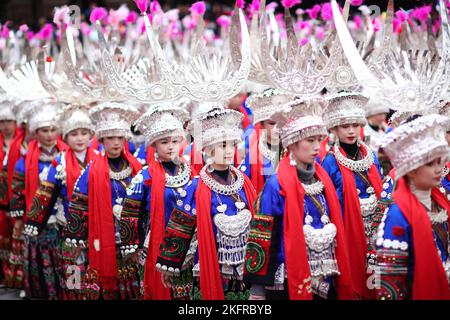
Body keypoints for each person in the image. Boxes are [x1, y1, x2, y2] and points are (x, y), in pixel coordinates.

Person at [244, 97, 354, 300]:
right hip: (287, 280)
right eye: (310, 141)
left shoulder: (323, 180)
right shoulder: (276, 185)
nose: (316, 147)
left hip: (325, 277)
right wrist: (258, 289)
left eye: (318, 141)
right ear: (292, 145)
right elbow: (262, 236)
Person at [157, 106, 257, 300]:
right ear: (209, 149)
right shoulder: (197, 187)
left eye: (231, 145)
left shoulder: (244, 182)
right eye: (222, 146)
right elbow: (181, 225)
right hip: (212, 266)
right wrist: (169, 263)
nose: (229, 151)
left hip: (245, 269)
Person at [64, 102, 142, 300]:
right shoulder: (92, 171)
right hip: (103, 238)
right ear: (101, 140)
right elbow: (79, 204)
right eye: (110, 138)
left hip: (132, 238)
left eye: (119, 138)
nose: (115, 143)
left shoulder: (136, 167)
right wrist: (76, 239)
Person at [22, 104, 97, 299]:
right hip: (68, 229)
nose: (80, 138)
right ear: (65, 137)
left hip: (97, 228)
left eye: (84, 133)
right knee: (74, 271)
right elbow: (45, 194)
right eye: (74, 134)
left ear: (91, 136)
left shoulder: (99, 160)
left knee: (96, 271)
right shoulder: (59, 163)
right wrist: (33, 224)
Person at [120, 103, 191, 300]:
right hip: (156, 247)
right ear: (153, 145)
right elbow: (130, 213)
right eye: (164, 142)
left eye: (176, 141)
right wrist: (131, 246)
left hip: (188, 247)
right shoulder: (145, 176)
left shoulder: (192, 172)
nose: (171, 146)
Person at [374, 114, 450, 300]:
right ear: (412, 169)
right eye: (430, 163)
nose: (438, 169)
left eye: (440, 161)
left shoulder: (439, 202)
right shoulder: (397, 215)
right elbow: (389, 286)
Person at [321, 91, 383, 299]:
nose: (350, 131)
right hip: (347, 230)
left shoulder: (370, 156)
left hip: (374, 229)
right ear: (334, 128)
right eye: (345, 126)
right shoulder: (329, 162)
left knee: (375, 281)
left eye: (355, 125)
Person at [10, 101, 68, 299]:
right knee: (42, 260)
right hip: (37, 220)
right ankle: (44, 292)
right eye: (44, 130)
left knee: (66, 260)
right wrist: (19, 219)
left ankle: (68, 292)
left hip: (63, 219)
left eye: (53, 129)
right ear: (35, 132)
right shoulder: (25, 160)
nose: (50, 134)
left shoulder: (67, 156)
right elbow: (16, 192)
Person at [239, 88, 293, 194]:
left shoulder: (294, 150)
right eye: (272, 123)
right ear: (262, 124)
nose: (277, 127)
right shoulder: (253, 156)